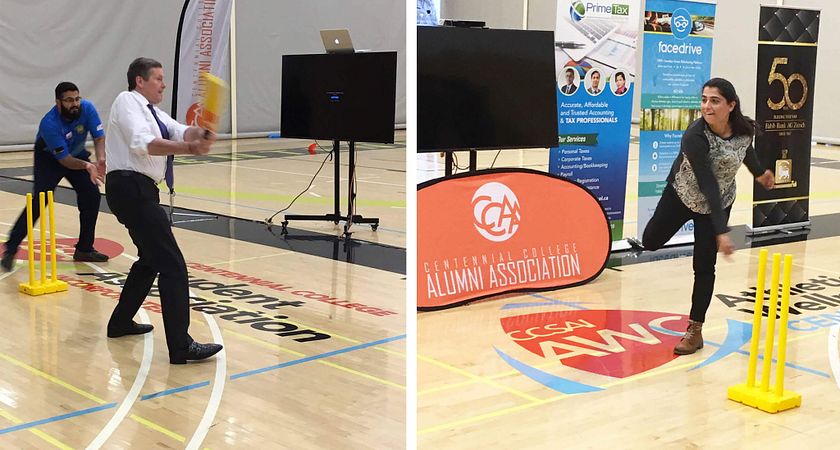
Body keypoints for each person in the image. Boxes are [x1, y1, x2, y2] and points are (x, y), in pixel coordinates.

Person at [638, 78, 774, 355]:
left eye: (714, 100)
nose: (707, 106)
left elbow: (746, 152)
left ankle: (695, 330)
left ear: (731, 105)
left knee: (705, 266)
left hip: (719, 201)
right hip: (682, 195)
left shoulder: (744, 130)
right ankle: (695, 236)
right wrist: (722, 231)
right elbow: (706, 181)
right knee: (650, 241)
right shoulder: (695, 136)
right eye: (703, 100)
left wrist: (760, 173)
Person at [104, 57, 222, 364]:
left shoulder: (151, 111)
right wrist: (189, 149)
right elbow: (146, 145)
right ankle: (180, 346)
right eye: (158, 79)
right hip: (131, 189)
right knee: (173, 265)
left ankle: (119, 322)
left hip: (138, 191)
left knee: (150, 260)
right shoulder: (127, 101)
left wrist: (200, 135)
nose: (163, 84)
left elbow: (179, 130)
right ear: (139, 81)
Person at [1, 82, 108, 272]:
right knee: (39, 202)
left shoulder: (87, 108)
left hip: (76, 153)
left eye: (77, 99)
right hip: (50, 159)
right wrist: (87, 165)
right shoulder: (49, 123)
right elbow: (65, 160)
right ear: (58, 102)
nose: (74, 104)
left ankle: (84, 249)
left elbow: (99, 138)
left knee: (91, 195)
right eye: (69, 100)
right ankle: (10, 249)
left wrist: (100, 159)